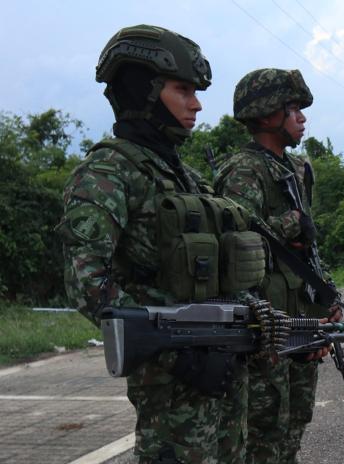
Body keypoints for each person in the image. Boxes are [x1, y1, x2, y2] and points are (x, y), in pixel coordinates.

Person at [57, 25, 252, 464]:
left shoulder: (185, 176)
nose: (197, 103)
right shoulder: (109, 171)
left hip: (220, 373)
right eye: (182, 90)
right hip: (172, 389)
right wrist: (176, 353)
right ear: (144, 91)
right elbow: (86, 282)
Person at [214, 68, 341, 464]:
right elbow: (237, 244)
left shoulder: (295, 170)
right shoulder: (244, 171)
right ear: (268, 115)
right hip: (266, 325)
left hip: (301, 316)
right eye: (293, 109)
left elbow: (306, 251)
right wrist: (289, 225)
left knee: (295, 422)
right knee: (264, 428)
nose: (302, 118)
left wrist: (328, 294)